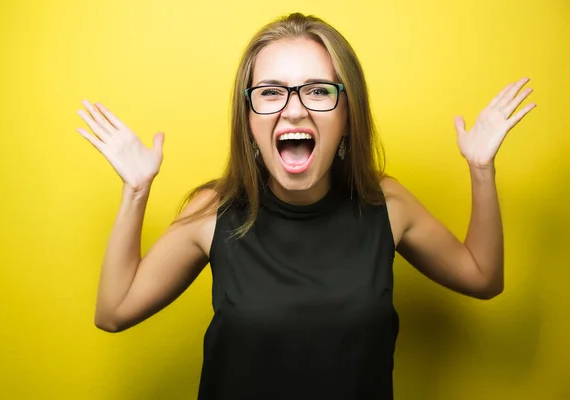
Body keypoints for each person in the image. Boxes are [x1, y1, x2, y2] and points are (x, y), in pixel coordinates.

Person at [76, 12, 536, 400]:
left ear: (347, 113)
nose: (294, 110)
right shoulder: (214, 210)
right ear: (248, 118)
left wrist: (481, 169)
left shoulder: (387, 204)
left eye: (317, 90)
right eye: (272, 91)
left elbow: (483, 277)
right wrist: (136, 191)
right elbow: (113, 313)